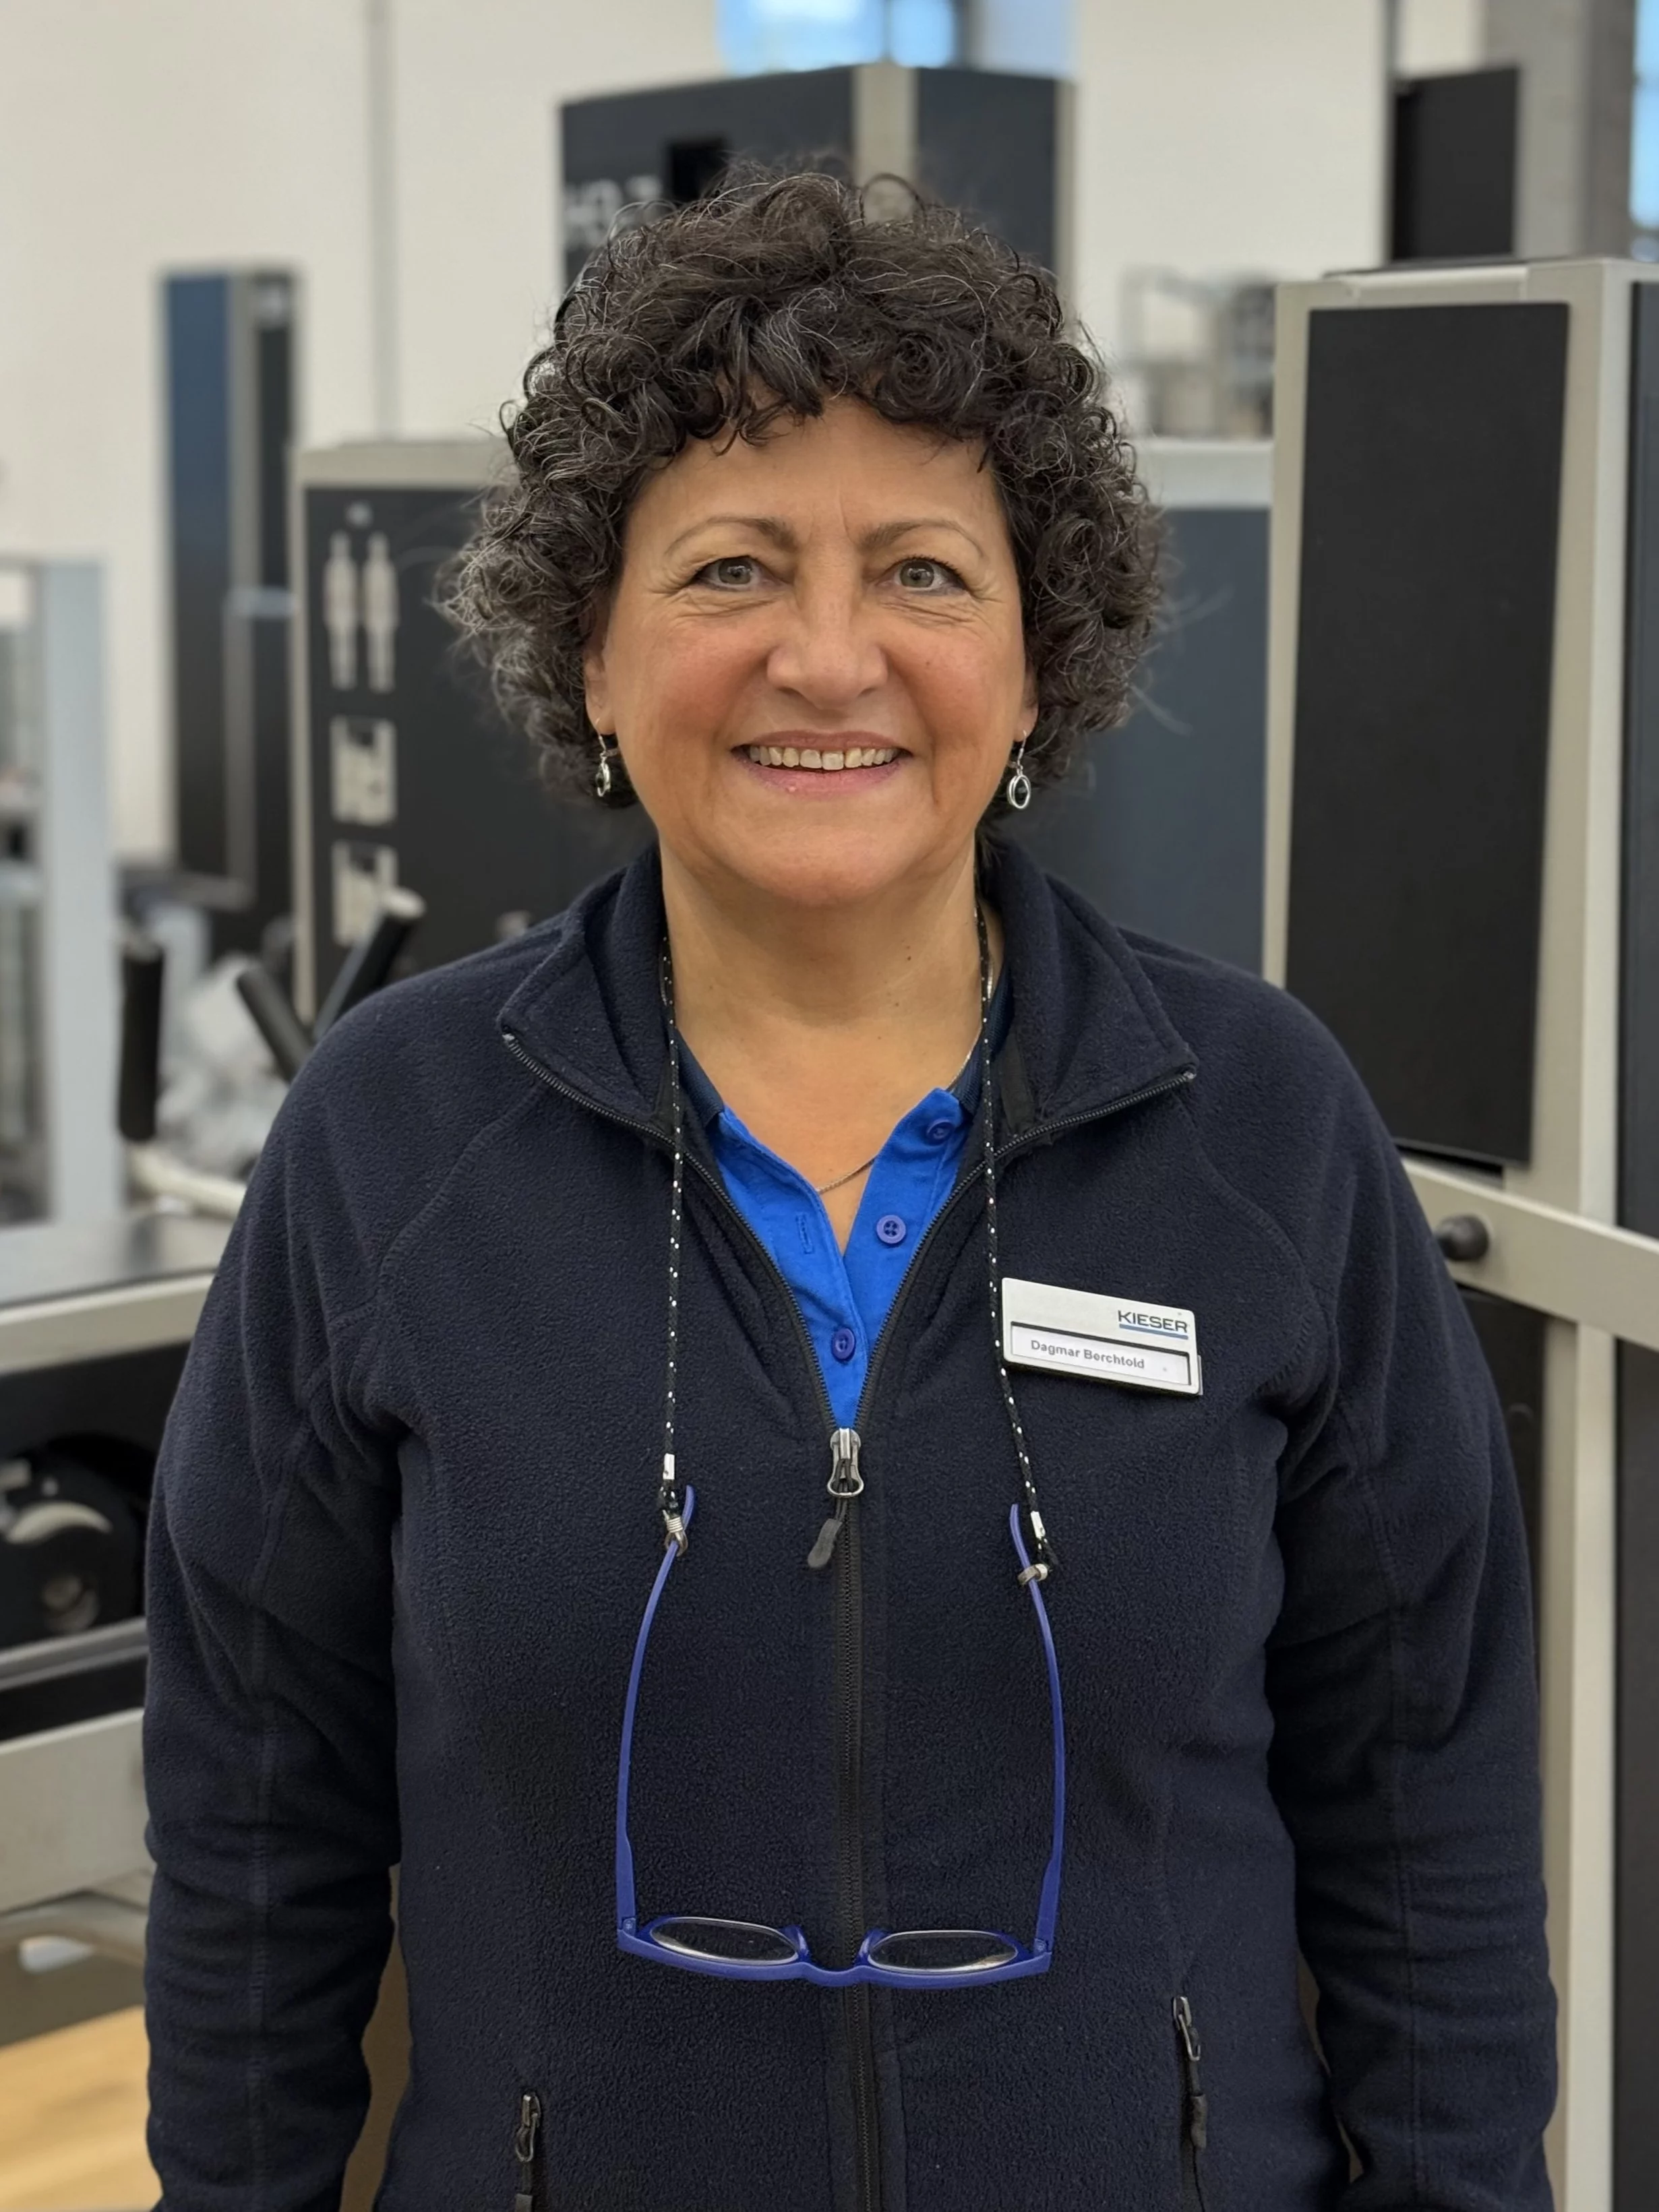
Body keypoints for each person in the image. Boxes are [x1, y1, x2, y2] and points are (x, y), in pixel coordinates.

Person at [143, 172, 1555, 2211]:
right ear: (592, 655)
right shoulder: (394, 1139)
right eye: (729, 569)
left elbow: (1426, 1812)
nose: (827, 656)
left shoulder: (1259, 1128)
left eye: (923, 571)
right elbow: (253, 1826)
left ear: (1035, 661)